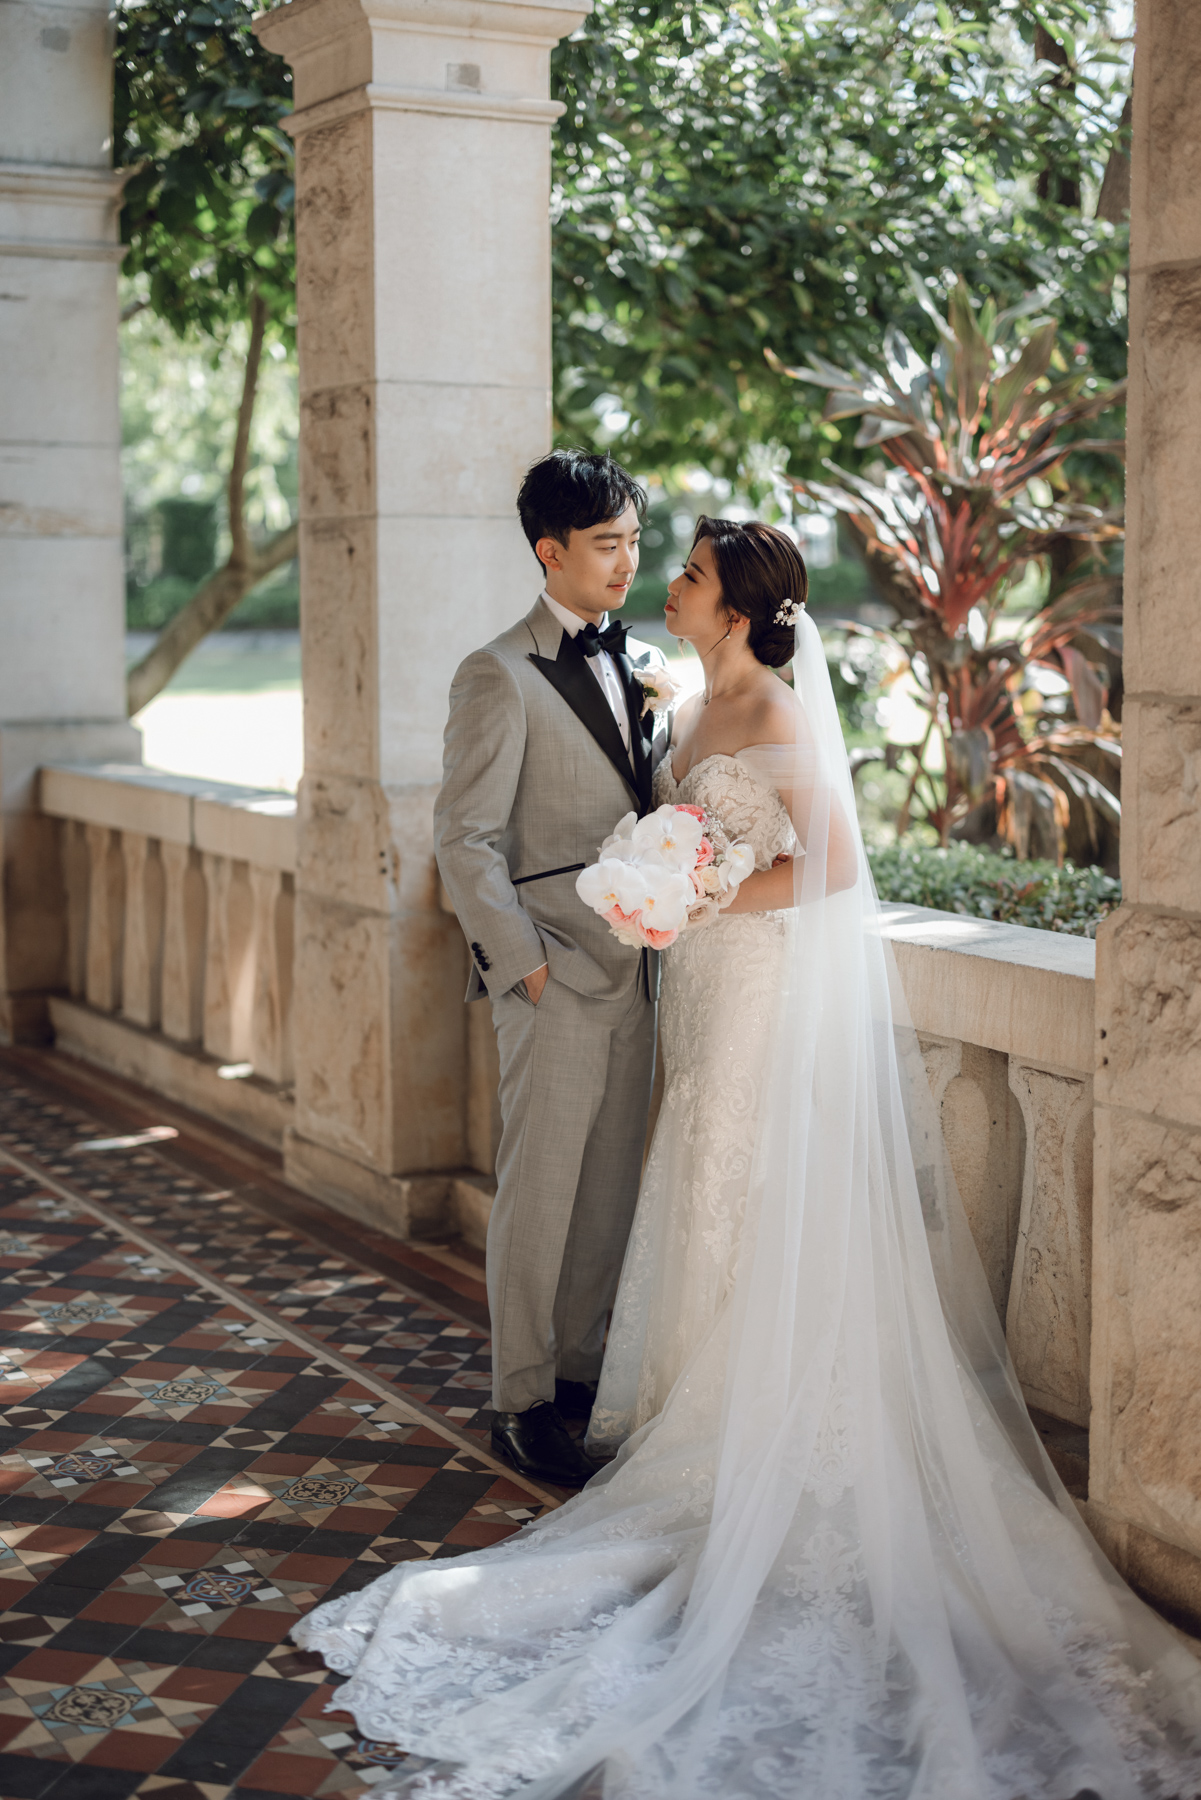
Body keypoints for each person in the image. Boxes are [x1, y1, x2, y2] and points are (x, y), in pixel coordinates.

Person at [295, 518, 1201, 1800]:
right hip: (699, 990)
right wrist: (664, 891)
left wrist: (696, 897)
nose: (665, 581)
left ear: (734, 609)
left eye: (688, 573)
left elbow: (830, 866)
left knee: (742, 1163)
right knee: (701, 1170)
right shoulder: (683, 707)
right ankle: (694, 1399)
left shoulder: (775, 710)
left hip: (756, 988)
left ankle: (768, 1428)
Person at [430, 449, 672, 1490]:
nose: (627, 563)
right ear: (549, 550)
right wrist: (522, 969)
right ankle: (519, 1399)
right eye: (606, 544)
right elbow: (463, 838)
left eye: (634, 541)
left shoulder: (645, 661)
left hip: (641, 972)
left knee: (610, 1191)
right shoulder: (497, 672)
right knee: (539, 1196)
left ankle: (577, 1379)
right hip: (553, 974)